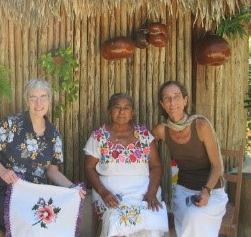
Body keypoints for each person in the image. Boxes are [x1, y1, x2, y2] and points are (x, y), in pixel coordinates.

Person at [0, 78, 85, 231]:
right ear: (27, 101)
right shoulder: (11, 123)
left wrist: (72, 187)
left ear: (49, 100)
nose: (38, 103)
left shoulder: (54, 135)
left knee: (53, 228)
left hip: (32, 196)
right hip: (1, 189)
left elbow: (52, 171)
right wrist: (3, 171)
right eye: (33, 98)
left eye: (43, 98)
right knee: (27, 224)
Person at [84, 93, 168, 237]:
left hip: (143, 192)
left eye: (126, 108)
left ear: (132, 112)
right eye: (117, 107)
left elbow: (156, 166)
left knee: (149, 227)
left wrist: (152, 192)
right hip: (110, 193)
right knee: (117, 222)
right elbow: (89, 168)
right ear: (109, 111)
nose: (121, 112)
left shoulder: (144, 134)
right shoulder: (98, 136)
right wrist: (104, 193)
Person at [152, 81, 228, 236]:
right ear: (162, 104)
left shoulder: (200, 125)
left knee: (195, 217)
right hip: (183, 190)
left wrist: (206, 191)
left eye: (177, 97)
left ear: (185, 101)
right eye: (167, 98)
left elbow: (217, 166)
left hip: (212, 191)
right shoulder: (161, 130)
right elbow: (145, 148)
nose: (172, 103)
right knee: (189, 218)